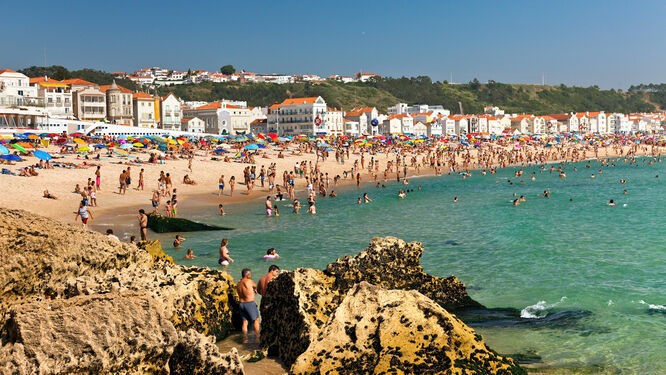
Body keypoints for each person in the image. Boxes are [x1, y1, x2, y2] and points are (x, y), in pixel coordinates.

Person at [237, 268, 260, 343]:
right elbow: (255, 286)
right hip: (249, 303)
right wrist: (255, 289)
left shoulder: (238, 283)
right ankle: (257, 338)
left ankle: (245, 339)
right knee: (256, 320)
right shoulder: (249, 281)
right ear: (248, 275)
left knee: (245, 322)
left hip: (241, 304)